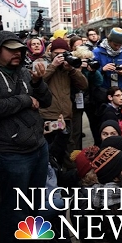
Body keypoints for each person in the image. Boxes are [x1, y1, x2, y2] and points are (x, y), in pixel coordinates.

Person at [0, 31, 52, 243]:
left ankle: (33, 237)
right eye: (11, 49)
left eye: (19, 49)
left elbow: (46, 101)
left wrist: (37, 83)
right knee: (14, 202)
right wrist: (25, 100)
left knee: (36, 199)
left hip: (38, 146)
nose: (17, 54)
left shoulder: (26, 73)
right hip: (11, 152)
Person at [38, 37, 88, 168]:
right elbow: (36, 83)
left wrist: (71, 69)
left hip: (65, 117)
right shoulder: (43, 63)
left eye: (63, 53)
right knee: (50, 152)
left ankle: (70, 183)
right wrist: (53, 66)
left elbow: (84, 85)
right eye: (56, 53)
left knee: (69, 152)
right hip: (48, 116)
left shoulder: (68, 68)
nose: (60, 56)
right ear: (51, 53)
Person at [92, 27, 122, 96]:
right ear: (109, 41)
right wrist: (102, 69)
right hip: (103, 91)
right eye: (115, 45)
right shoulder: (97, 52)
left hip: (120, 91)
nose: (117, 47)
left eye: (120, 45)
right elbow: (91, 72)